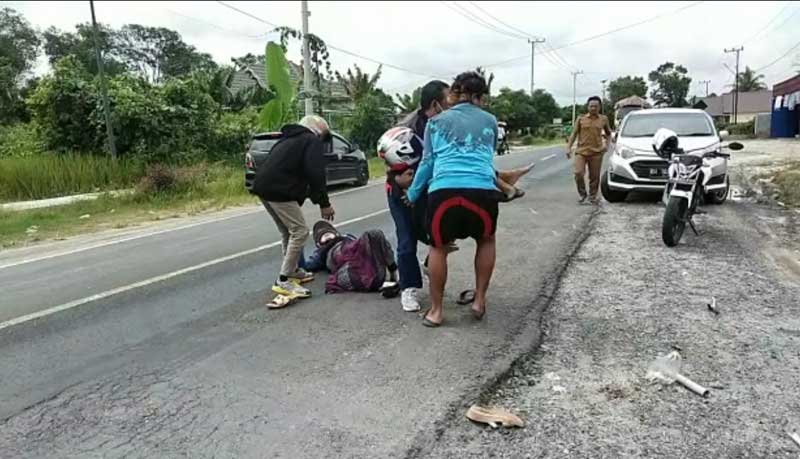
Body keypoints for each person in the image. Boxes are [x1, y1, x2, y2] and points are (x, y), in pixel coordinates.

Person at [405, 71, 500, 327]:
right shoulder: (491, 120)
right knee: (486, 239)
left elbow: (427, 162)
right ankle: (479, 301)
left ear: (455, 93)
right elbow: (487, 156)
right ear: (481, 96)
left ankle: (436, 311)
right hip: (482, 191)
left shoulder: (436, 122)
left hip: (443, 192)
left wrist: (413, 193)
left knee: (438, 247)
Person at [251, 115, 336, 299]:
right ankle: (283, 280)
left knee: (288, 232)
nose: (323, 140)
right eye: (324, 134)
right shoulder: (310, 140)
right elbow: (315, 173)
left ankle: (293, 270)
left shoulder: (288, 139)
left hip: (264, 188)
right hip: (279, 190)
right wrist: (324, 204)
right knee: (300, 231)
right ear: (317, 130)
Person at [385, 80, 451, 313]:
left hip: (430, 192)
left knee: (441, 238)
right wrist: (398, 181)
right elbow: (389, 162)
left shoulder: (448, 126)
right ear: (436, 104)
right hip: (402, 193)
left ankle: (428, 265)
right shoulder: (407, 129)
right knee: (406, 240)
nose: (453, 104)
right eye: (449, 99)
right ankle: (408, 288)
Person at [304, 220, 401, 296]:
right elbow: (308, 265)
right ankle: (383, 285)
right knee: (350, 273)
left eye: (328, 233)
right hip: (340, 261)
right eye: (322, 235)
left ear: (336, 233)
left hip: (354, 251)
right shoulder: (320, 252)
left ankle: (393, 271)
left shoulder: (346, 238)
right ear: (318, 244)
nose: (325, 235)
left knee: (375, 233)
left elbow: (361, 243)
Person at [566, 96, 613, 205]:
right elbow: (574, 134)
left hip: (597, 152)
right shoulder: (581, 119)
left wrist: (607, 145)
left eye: (595, 106)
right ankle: (582, 195)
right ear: (588, 107)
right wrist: (568, 148)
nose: (593, 108)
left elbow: (609, 133)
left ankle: (592, 196)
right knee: (578, 173)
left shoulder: (603, 119)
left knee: (594, 177)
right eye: (591, 106)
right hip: (581, 151)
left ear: (599, 107)